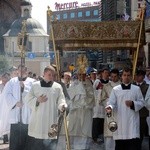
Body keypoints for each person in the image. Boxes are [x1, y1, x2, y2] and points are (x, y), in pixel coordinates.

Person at [24, 65, 67, 150]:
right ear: (44, 74)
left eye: (53, 75)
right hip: (38, 120)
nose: (51, 77)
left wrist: (62, 106)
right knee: (38, 144)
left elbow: (61, 100)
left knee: (51, 145)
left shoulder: (57, 87)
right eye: (49, 74)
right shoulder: (35, 85)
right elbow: (27, 99)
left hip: (51, 119)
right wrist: (37, 100)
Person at [105, 67, 144, 150]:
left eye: (128, 75)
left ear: (131, 77)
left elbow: (141, 102)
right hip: (120, 123)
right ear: (121, 76)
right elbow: (111, 102)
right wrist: (109, 107)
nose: (126, 77)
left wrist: (133, 103)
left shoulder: (136, 89)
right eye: (124, 75)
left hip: (132, 123)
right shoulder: (116, 89)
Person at [2, 64, 35, 150]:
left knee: (27, 142)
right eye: (20, 71)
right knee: (15, 143)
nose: (21, 72)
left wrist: (23, 89)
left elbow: (34, 96)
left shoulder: (33, 82)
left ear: (26, 72)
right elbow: (7, 94)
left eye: (23, 71)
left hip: (28, 116)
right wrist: (15, 103)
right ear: (17, 71)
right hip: (15, 116)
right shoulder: (12, 82)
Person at [66, 73, 95, 150]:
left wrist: (83, 95)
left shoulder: (89, 85)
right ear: (77, 75)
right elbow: (69, 98)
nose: (81, 77)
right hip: (75, 114)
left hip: (85, 113)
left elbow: (91, 100)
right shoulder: (73, 84)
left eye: (83, 75)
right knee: (73, 136)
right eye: (79, 75)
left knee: (84, 137)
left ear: (85, 75)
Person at [101, 68, 120, 150]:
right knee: (109, 133)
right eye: (112, 76)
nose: (113, 78)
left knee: (119, 133)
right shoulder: (106, 86)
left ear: (118, 76)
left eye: (115, 76)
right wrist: (108, 102)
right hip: (110, 112)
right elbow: (101, 99)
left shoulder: (122, 86)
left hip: (120, 112)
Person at [92, 68, 109, 143]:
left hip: (106, 104)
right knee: (96, 120)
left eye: (107, 73)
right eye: (105, 72)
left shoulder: (110, 82)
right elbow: (93, 91)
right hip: (98, 105)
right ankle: (95, 137)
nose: (106, 74)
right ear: (102, 73)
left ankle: (102, 135)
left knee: (104, 120)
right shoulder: (97, 82)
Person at [133, 69, 150, 150]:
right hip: (132, 111)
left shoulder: (147, 87)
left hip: (142, 113)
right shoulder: (132, 85)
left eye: (139, 75)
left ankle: (138, 145)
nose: (137, 77)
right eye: (136, 75)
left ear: (143, 77)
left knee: (140, 130)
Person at [0, 72, 11, 144]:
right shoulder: (0, 86)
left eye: (7, 78)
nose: (6, 79)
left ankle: (6, 138)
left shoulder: (10, 85)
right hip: (1, 105)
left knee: (6, 121)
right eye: (4, 78)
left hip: (7, 106)